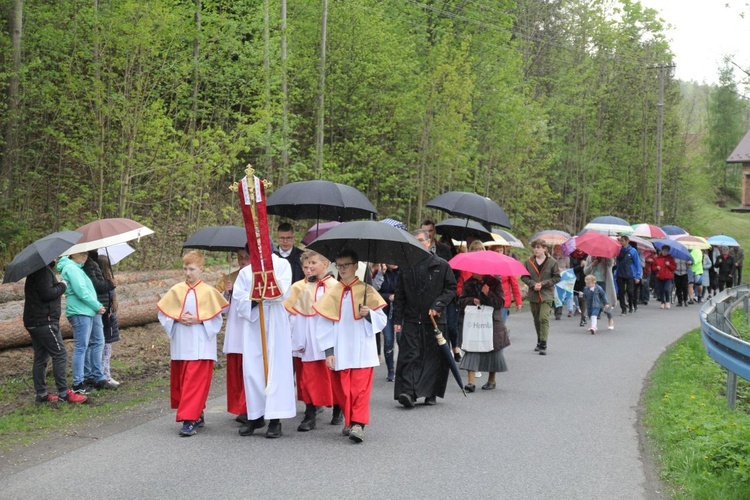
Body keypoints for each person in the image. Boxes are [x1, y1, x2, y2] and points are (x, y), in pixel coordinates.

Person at [314, 250, 387, 442]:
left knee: (360, 389)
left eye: (346, 265)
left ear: (356, 266)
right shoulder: (333, 292)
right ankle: (350, 419)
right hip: (340, 349)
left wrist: (369, 313)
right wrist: (328, 351)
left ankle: (358, 424)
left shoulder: (368, 291)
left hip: (362, 348)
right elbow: (323, 324)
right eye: (339, 265)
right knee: (343, 390)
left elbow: (382, 320)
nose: (342, 269)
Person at [157, 250, 229, 436]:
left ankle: (189, 420)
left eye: (192, 269)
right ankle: (197, 413)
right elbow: (163, 313)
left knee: (194, 382)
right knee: (184, 382)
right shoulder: (176, 290)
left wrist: (199, 319)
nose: (188, 273)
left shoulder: (209, 292)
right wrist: (177, 318)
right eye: (185, 269)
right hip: (181, 343)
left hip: (200, 345)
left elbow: (217, 319)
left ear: (201, 269)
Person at [392, 229, 457, 408]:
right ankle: (408, 393)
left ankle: (430, 392)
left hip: (435, 319)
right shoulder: (406, 266)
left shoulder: (441, 265)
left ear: (429, 242)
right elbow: (400, 295)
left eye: (421, 240)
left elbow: (451, 288)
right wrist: (397, 320)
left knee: (433, 358)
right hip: (412, 318)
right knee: (410, 356)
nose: (418, 243)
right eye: (415, 240)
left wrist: (438, 305)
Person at [234, 252, 294, 438]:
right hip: (254, 321)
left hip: (275, 318)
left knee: (275, 369)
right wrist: (253, 300)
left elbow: (284, 290)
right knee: (253, 369)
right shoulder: (246, 271)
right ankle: (255, 415)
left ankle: (275, 420)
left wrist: (266, 293)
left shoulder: (282, 264)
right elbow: (239, 296)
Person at [285, 250, 339, 432]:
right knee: (309, 377)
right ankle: (310, 414)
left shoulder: (335, 286)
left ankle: (338, 409)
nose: (310, 267)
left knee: (333, 375)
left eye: (314, 263)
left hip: (330, 338)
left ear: (325, 264)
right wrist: (298, 341)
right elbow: (300, 316)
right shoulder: (305, 287)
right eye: (307, 265)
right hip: (310, 338)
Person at [23, 262, 87, 404]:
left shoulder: (35, 270)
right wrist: (63, 285)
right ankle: (64, 393)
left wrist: (57, 289)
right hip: (44, 321)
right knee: (60, 354)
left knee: (41, 357)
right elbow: (47, 293)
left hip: (34, 320)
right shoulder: (43, 271)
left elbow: (45, 292)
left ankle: (42, 394)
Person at [57, 252, 108, 395]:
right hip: (80, 312)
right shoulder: (71, 268)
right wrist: (97, 305)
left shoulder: (77, 268)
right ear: (73, 254)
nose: (85, 255)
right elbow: (81, 292)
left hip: (88, 310)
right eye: (82, 253)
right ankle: (78, 383)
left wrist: (95, 306)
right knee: (81, 347)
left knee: (95, 342)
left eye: (86, 253)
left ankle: (94, 376)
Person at [215, 248, 251, 424]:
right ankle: (238, 407)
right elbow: (221, 308)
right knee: (236, 370)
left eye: (246, 257)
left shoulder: (257, 276)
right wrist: (226, 293)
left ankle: (249, 406)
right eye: (240, 258)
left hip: (250, 327)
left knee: (249, 370)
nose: (242, 261)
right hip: (235, 328)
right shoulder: (230, 278)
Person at [458, 271, 508, 392]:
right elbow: (460, 301)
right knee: (472, 348)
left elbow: (500, 303)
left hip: (491, 321)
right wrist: (472, 301)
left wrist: (488, 293)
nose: (477, 273)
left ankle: (491, 380)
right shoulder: (468, 283)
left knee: (493, 350)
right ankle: (471, 382)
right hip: (474, 321)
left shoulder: (494, 282)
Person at [80, 251, 119, 391]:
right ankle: (96, 375)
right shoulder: (89, 265)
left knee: (100, 343)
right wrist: (110, 284)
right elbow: (96, 286)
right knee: (97, 343)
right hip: (98, 309)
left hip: (102, 308)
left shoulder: (92, 263)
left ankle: (99, 374)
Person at [521, 240, 560, 355]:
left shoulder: (552, 262)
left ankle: (543, 343)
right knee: (537, 319)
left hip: (546, 294)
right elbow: (524, 276)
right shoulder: (528, 262)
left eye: (538, 247)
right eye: (534, 247)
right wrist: (533, 284)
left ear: (544, 248)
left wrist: (544, 283)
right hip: (533, 294)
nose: (536, 250)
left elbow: (557, 277)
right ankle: (539, 339)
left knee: (543, 318)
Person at [372, 262, 399, 381]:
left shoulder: (403, 272)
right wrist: (388, 297)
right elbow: (374, 291)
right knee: (388, 340)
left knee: (401, 339)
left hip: (400, 311)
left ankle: (404, 369)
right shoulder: (380, 273)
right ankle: (391, 370)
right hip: (385, 312)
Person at [98, 255, 120, 386]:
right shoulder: (103, 284)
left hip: (109, 318)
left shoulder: (107, 283)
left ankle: (106, 374)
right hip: (106, 320)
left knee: (106, 349)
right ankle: (105, 375)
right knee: (105, 349)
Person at [583, 255, 616, 330]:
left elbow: (610, 265)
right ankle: (594, 323)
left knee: (607, 300)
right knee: (593, 302)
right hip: (592, 282)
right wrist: (592, 264)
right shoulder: (589, 257)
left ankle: (610, 319)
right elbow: (585, 271)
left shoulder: (607, 257)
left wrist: (608, 258)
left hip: (604, 282)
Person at [615, 235, 642, 315]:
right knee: (621, 292)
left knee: (630, 291)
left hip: (630, 274)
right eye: (620, 241)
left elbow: (637, 264)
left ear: (627, 241)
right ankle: (623, 308)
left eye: (622, 241)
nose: (621, 242)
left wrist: (638, 276)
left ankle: (631, 305)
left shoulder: (633, 251)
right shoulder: (618, 250)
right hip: (620, 273)